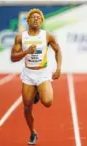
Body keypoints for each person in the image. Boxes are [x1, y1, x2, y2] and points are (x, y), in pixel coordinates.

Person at [11, 8, 62, 145]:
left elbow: (58, 51)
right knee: (27, 107)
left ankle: (39, 92)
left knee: (47, 102)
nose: (36, 19)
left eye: (38, 18)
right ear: (28, 20)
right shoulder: (21, 37)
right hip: (28, 74)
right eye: (33, 17)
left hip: (43, 73)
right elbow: (13, 58)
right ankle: (33, 132)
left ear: (42, 21)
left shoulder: (48, 36)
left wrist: (58, 68)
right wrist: (26, 51)